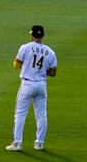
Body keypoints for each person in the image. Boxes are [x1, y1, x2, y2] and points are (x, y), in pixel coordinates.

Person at [8, 23, 57, 153]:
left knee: (20, 114)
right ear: (43, 36)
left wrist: (27, 66)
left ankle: (17, 143)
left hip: (27, 85)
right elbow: (53, 73)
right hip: (41, 85)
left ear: (32, 35)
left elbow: (16, 66)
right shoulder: (50, 52)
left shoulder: (25, 47)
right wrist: (41, 70)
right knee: (41, 115)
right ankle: (39, 143)